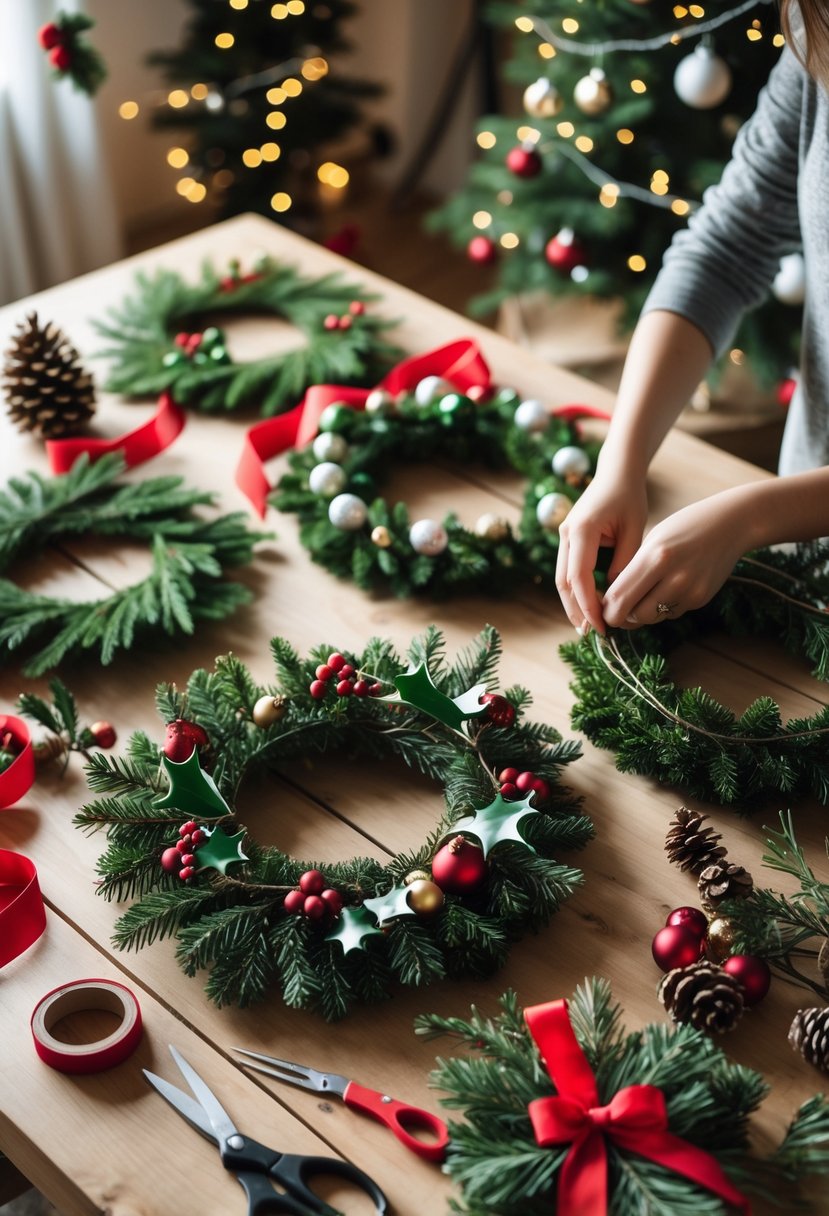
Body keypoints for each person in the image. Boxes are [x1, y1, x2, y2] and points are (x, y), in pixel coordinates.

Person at [555, 0, 829, 638]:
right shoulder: (817, 33)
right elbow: (726, 248)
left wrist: (753, 517)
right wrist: (621, 463)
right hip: (806, 563)